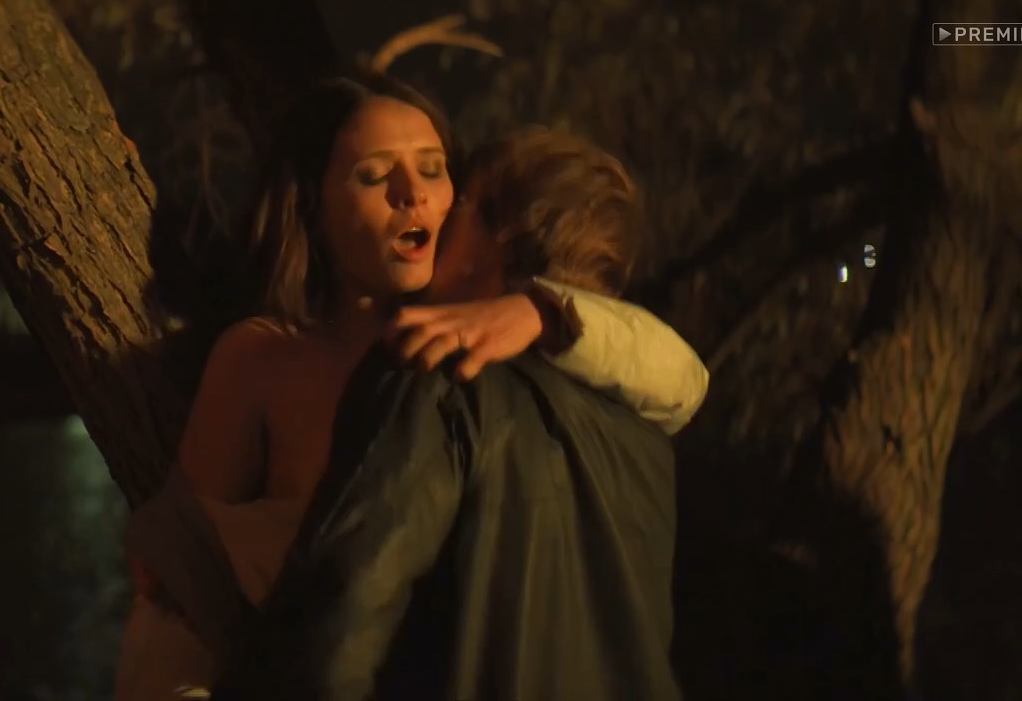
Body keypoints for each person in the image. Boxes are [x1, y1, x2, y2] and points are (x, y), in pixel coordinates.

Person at [114, 75, 705, 700]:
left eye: (433, 170)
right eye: (374, 175)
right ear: (312, 206)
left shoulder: (462, 376)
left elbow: (680, 374)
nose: (413, 194)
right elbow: (179, 582)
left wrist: (538, 310)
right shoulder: (266, 357)